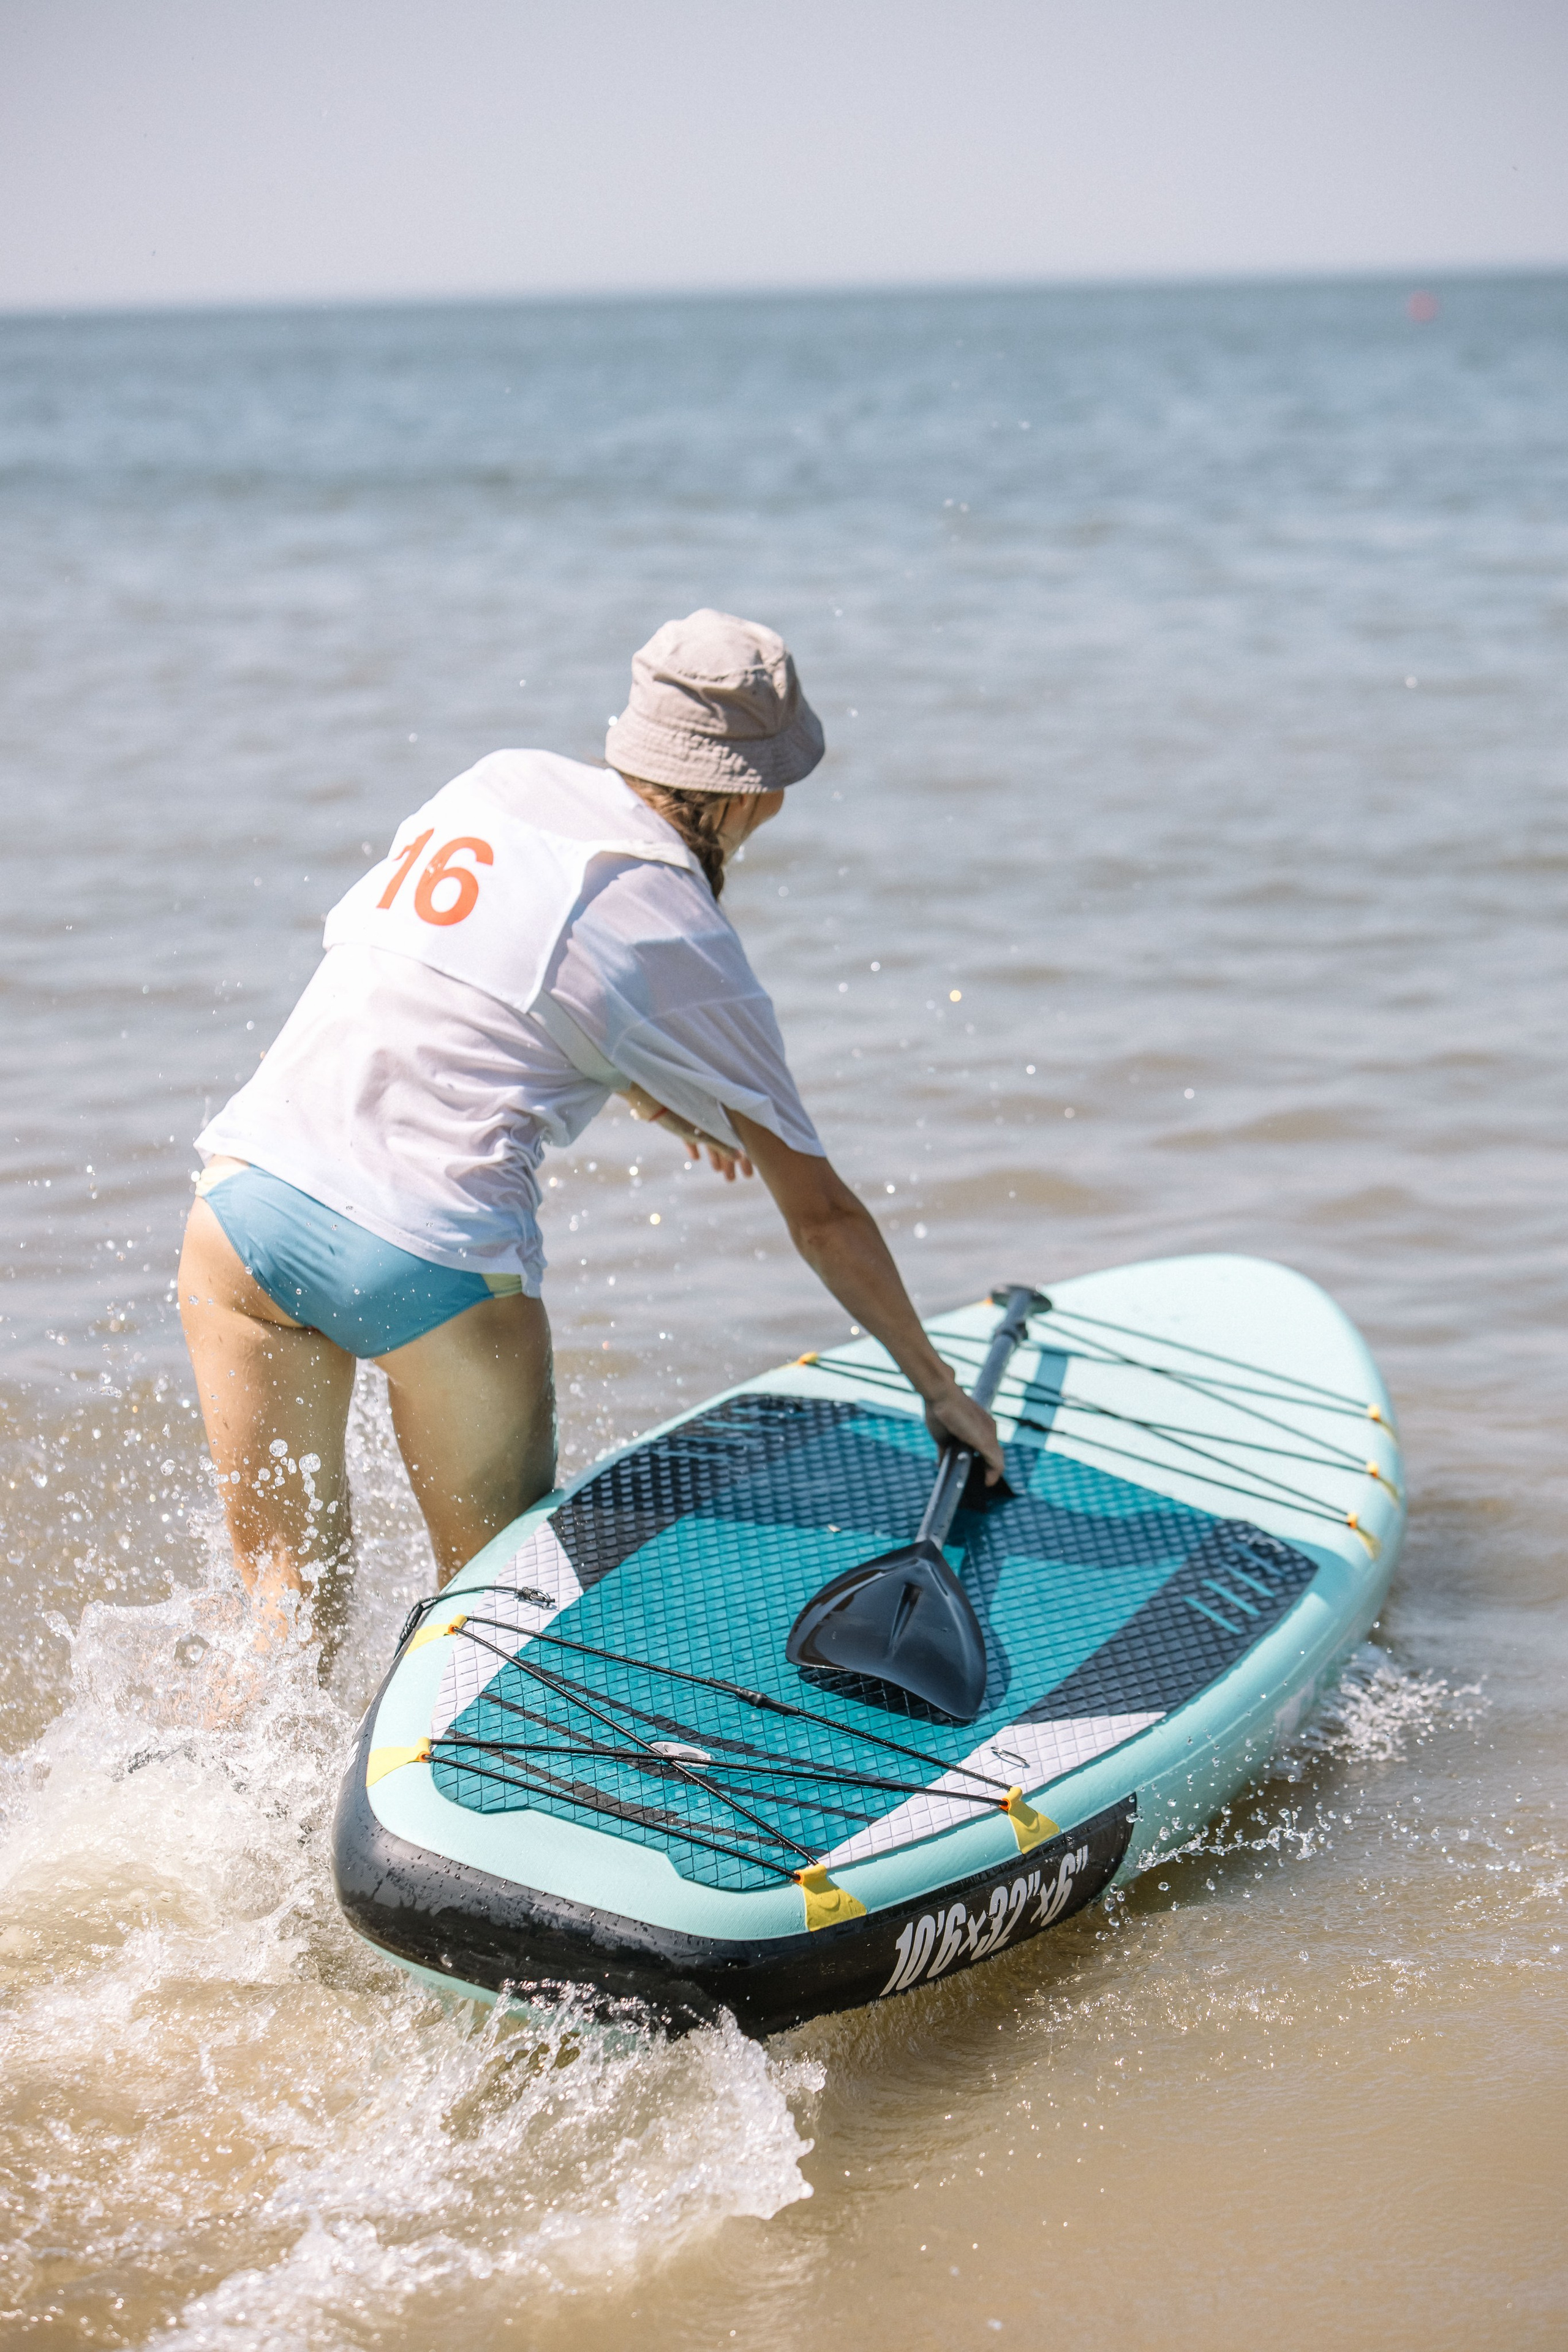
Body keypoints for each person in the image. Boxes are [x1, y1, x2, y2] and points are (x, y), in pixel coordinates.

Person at [179, 609, 1003, 1652]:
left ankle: (222, 1804)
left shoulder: (493, 781)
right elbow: (825, 1215)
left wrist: (659, 1098)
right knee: (490, 1623)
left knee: (281, 1611)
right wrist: (939, 1389)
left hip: (243, 1211)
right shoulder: (679, 921)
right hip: (427, 1257)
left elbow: (478, 988)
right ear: (764, 790)